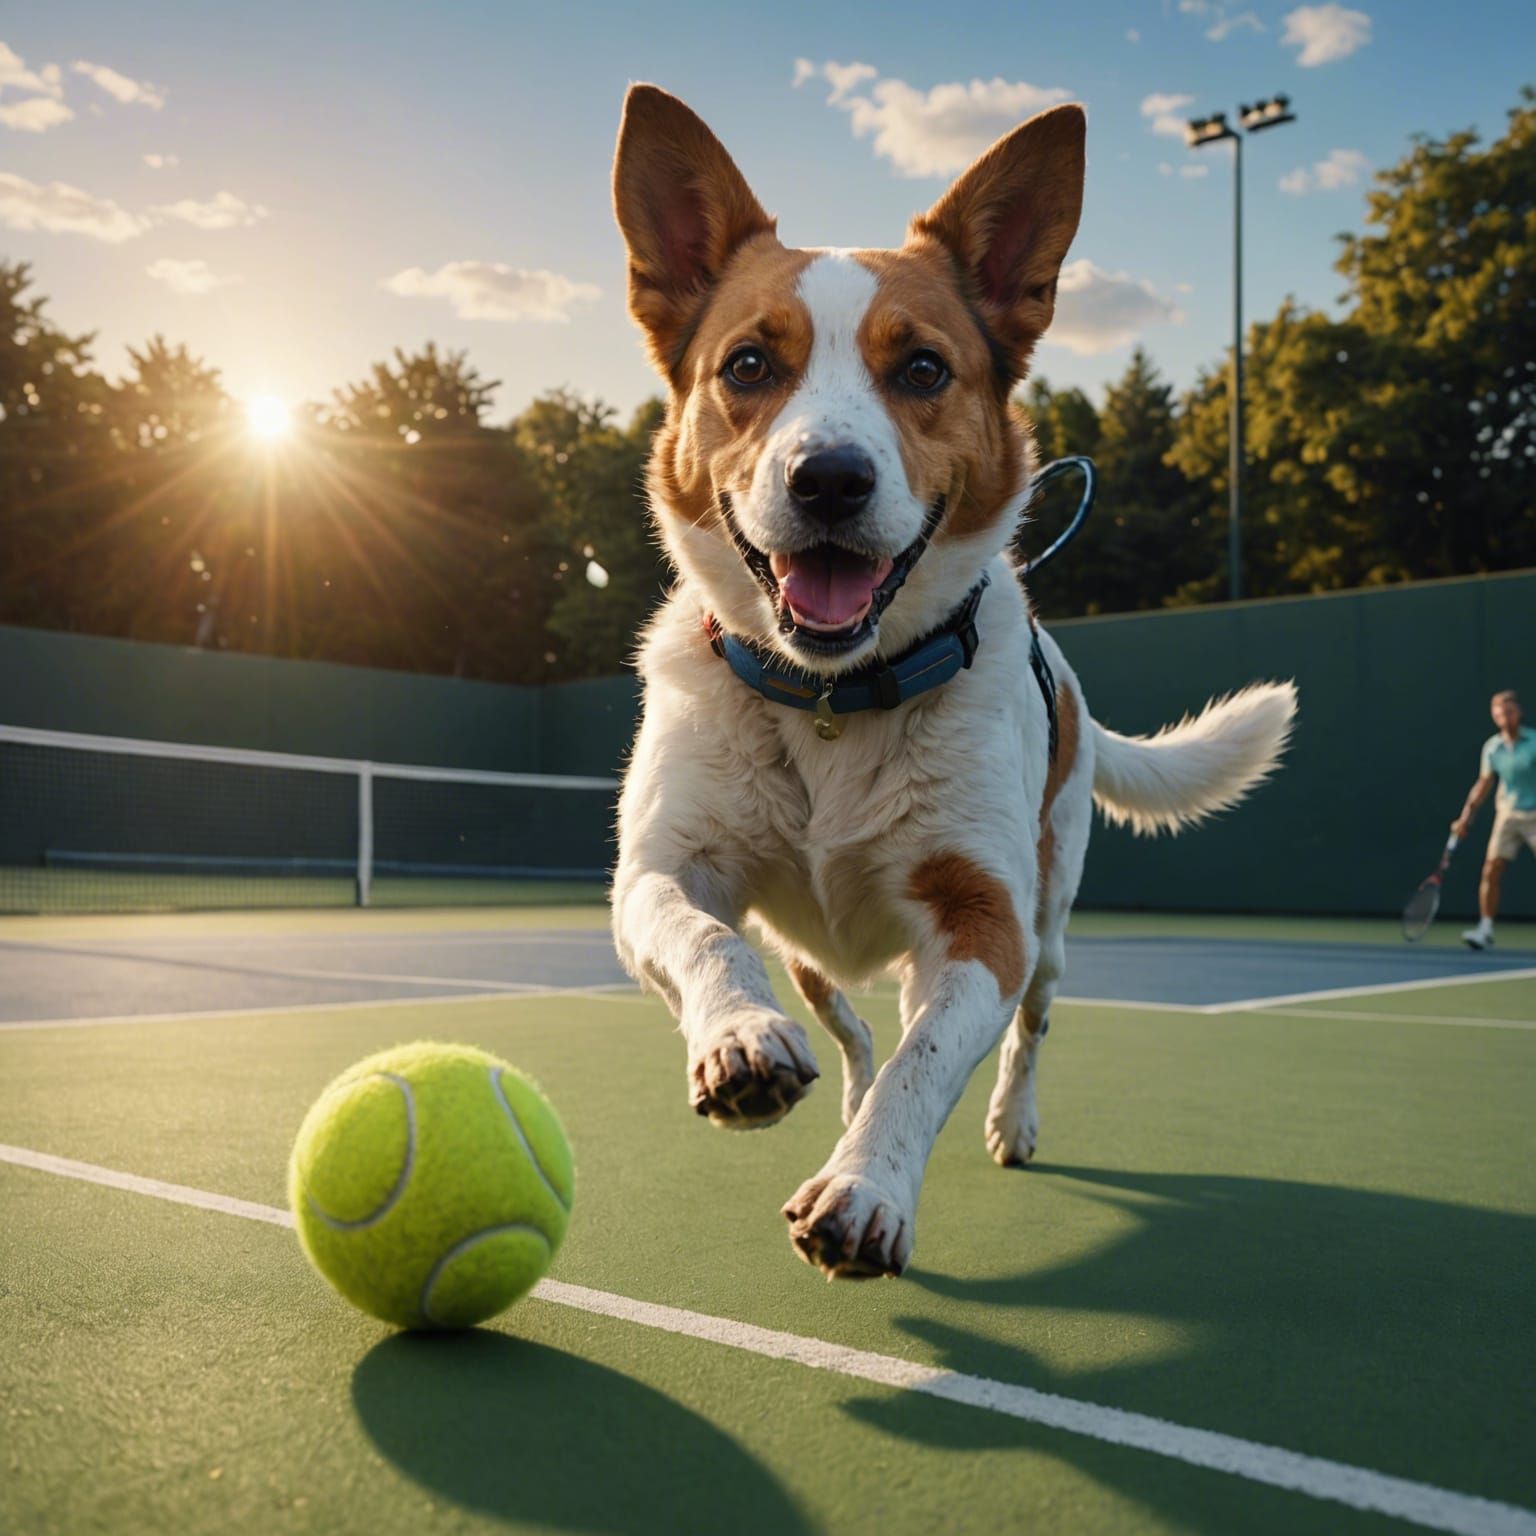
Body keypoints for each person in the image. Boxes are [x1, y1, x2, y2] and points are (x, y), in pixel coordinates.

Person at [1451, 690, 1536, 950]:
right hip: (1508, 815)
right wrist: (1465, 817)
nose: (1505, 718)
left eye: (1509, 712)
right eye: (1499, 714)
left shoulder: (1534, 742)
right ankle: (1485, 929)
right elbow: (1484, 784)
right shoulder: (1492, 747)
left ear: (1518, 712)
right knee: (1491, 870)